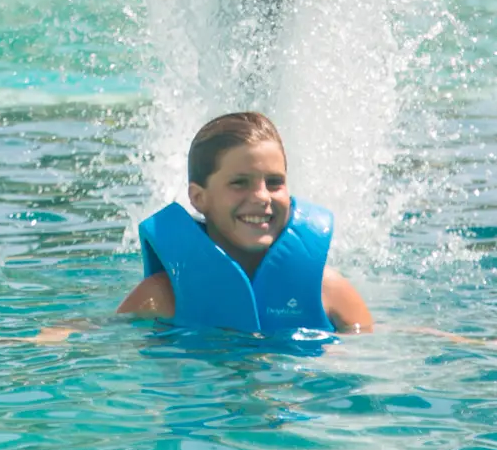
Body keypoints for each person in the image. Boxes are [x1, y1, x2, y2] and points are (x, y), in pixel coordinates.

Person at [119, 111, 373, 335]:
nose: (262, 196)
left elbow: (368, 351)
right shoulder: (163, 295)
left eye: (274, 182)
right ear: (199, 198)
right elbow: (107, 337)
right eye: (239, 183)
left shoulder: (327, 290)